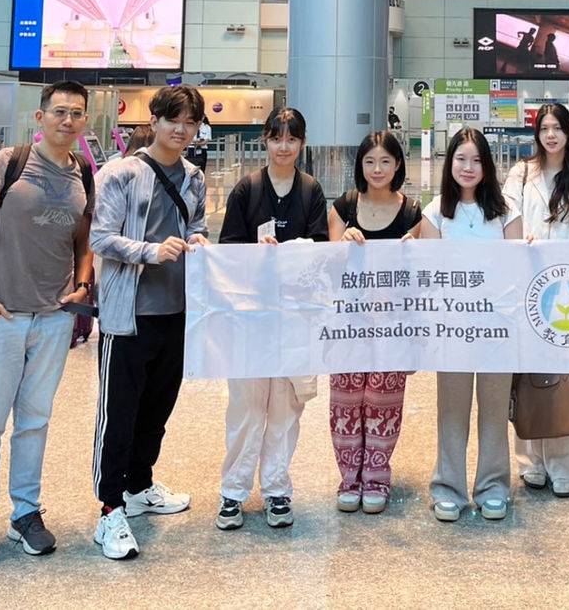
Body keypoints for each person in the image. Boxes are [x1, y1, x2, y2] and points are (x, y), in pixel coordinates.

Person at [0, 81, 95, 571]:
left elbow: (83, 239)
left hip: (53, 318)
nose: (67, 120)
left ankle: (25, 512)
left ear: (85, 120)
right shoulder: (9, 163)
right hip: (3, 317)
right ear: (40, 117)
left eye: (76, 113)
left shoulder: (82, 174)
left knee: (34, 421)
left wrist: (82, 282)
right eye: (59, 112)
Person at [90, 84, 209, 560]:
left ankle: (139, 486)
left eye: (190, 122)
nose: (181, 129)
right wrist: (151, 251)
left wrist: (197, 241)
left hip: (176, 314)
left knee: (157, 410)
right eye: (173, 120)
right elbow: (101, 238)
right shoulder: (121, 173)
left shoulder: (194, 178)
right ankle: (109, 509)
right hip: (129, 317)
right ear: (154, 121)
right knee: (118, 415)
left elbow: (196, 225)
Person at [215, 107, 328, 531]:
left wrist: (294, 252)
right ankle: (233, 491)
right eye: (277, 138)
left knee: (285, 409)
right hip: (250, 319)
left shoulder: (311, 190)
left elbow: (320, 249)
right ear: (265, 140)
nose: (284, 146)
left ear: (302, 143)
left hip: (293, 320)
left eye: (292, 139)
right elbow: (228, 250)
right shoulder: (247, 189)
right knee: (246, 409)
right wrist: (255, 255)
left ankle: (277, 489)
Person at [422, 127, 522, 522]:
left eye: (477, 160)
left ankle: (494, 487)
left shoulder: (507, 212)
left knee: (495, 411)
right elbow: (430, 275)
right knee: (451, 411)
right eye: (461, 159)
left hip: (497, 329)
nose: (468, 167)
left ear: (487, 166)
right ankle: (448, 487)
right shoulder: (435, 212)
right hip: (453, 330)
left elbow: (516, 270)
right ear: (449, 163)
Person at [502, 103, 569, 497]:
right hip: (525, 285)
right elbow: (507, 219)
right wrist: (521, 240)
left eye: (557, 128)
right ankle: (531, 462)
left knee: (567, 376)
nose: (550, 135)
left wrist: (556, 259)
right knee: (527, 374)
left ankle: (566, 465)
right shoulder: (521, 173)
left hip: (568, 289)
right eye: (544, 128)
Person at [328, 131, 422, 514]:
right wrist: (342, 246)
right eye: (370, 162)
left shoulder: (413, 213)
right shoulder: (344, 207)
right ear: (360, 166)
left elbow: (421, 275)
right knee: (346, 401)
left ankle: (377, 477)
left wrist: (416, 253)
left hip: (392, 327)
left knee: (384, 402)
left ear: (398, 165)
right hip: (348, 325)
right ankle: (349, 478)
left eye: (385, 161)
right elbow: (329, 267)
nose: (377, 169)